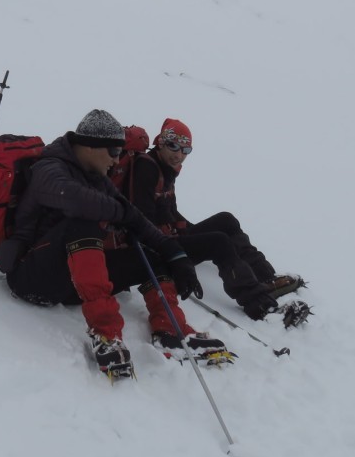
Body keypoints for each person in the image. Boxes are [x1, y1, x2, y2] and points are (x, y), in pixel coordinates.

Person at [0, 109, 229, 373]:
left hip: (71, 283)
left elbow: (135, 217)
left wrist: (173, 253)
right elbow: (76, 199)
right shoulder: (49, 169)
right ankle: (106, 334)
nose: (117, 160)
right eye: (114, 152)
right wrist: (121, 213)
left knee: (153, 252)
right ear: (90, 146)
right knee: (82, 222)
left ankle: (171, 329)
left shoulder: (96, 177)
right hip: (32, 278)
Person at [125, 118, 306, 321]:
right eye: (173, 146)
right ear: (161, 143)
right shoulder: (146, 168)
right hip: (156, 248)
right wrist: (186, 244)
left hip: (167, 238)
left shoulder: (165, 169)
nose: (179, 155)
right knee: (219, 242)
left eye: (186, 150)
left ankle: (266, 277)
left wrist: (193, 233)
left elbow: (170, 212)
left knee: (226, 220)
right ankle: (257, 303)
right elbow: (143, 220)